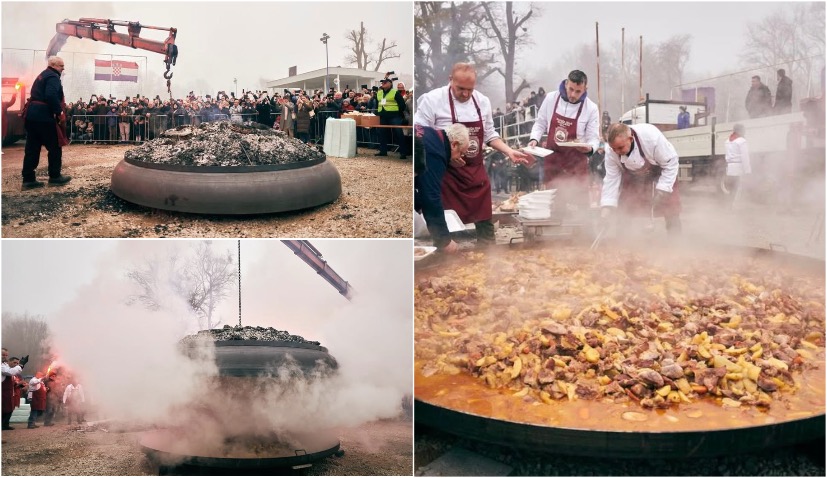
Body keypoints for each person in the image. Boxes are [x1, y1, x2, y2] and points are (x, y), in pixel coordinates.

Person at [415, 62, 531, 244]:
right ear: (450, 80)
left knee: (484, 212)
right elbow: (419, 133)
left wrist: (509, 151)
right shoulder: (432, 100)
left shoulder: (482, 102)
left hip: (475, 169)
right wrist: (446, 155)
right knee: (447, 215)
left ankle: (487, 248)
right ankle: (449, 247)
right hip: (447, 172)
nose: (465, 94)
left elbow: (490, 134)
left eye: (470, 89)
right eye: (460, 89)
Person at [527, 69, 600, 211]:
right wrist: (534, 138)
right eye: (571, 89)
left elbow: (593, 138)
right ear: (566, 84)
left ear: (585, 89)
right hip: (553, 161)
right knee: (554, 206)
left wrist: (589, 148)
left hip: (576, 163)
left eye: (578, 91)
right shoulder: (551, 98)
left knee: (580, 208)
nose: (573, 95)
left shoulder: (591, 108)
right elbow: (540, 122)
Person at [600, 122, 682, 235]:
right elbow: (611, 179)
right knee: (625, 205)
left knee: (670, 206)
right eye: (614, 149)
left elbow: (671, 162)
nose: (617, 152)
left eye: (620, 148)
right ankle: (622, 239)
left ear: (630, 139)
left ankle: (675, 238)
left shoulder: (651, 138)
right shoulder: (611, 151)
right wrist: (606, 209)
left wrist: (663, 190)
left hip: (661, 171)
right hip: (634, 176)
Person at [414, 123, 471, 253]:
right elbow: (431, 196)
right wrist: (444, 240)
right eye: (461, 153)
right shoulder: (435, 153)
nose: (460, 158)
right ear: (454, 144)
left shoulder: (431, 134)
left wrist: (418, 204)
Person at [21, 56, 71, 190]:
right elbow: (50, 95)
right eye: (61, 66)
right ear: (53, 65)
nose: (63, 68)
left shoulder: (42, 75)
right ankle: (55, 177)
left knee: (32, 148)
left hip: (32, 116)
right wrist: (59, 112)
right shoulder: (53, 77)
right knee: (55, 146)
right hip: (44, 117)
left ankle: (28, 180)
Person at [375, 76, 408, 159]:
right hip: (383, 116)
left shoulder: (395, 92)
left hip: (394, 116)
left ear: (390, 84)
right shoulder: (379, 93)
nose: (383, 83)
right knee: (382, 134)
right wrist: (378, 112)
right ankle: (383, 151)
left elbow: (402, 105)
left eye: (385, 82)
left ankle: (403, 152)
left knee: (398, 134)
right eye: (382, 82)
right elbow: (377, 104)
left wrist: (397, 113)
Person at [723, 123, 751, 209]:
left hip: (730, 167)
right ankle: (734, 207)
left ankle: (729, 206)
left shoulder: (727, 141)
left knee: (731, 188)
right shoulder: (742, 141)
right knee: (738, 188)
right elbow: (745, 157)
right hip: (738, 167)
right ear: (740, 131)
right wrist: (748, 170)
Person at [2, 348, 28, 430]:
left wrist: (20, 385)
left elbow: (13, 383)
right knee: (4, 411)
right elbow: (10, 372)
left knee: (8, 410)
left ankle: (5, 425)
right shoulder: (3, 366)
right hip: (3, 393)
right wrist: (21, 365)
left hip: (9, 394)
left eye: (6, 355)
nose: (5, 356)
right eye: (3, 355)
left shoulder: (6, 366)